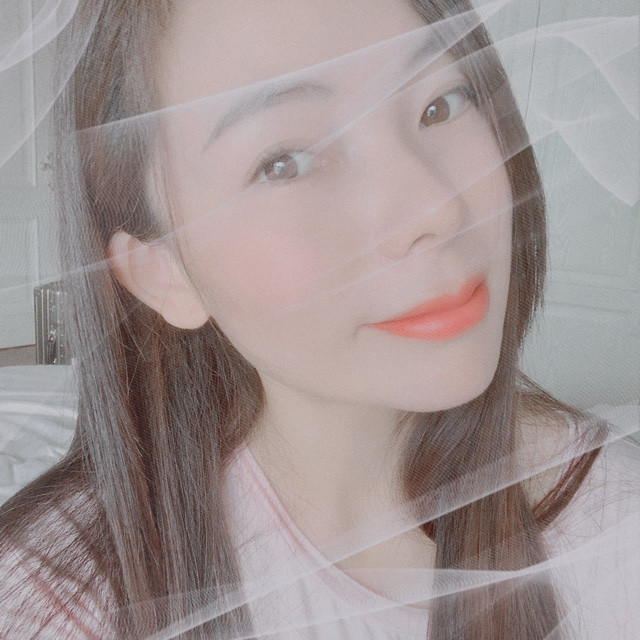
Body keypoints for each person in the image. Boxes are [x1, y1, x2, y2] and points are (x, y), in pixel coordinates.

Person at [0, 0, 638, 638]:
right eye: (285, 163)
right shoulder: (60, 603)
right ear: (162, 272)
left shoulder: (609, 515)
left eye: (441, 104)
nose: (435, 209)